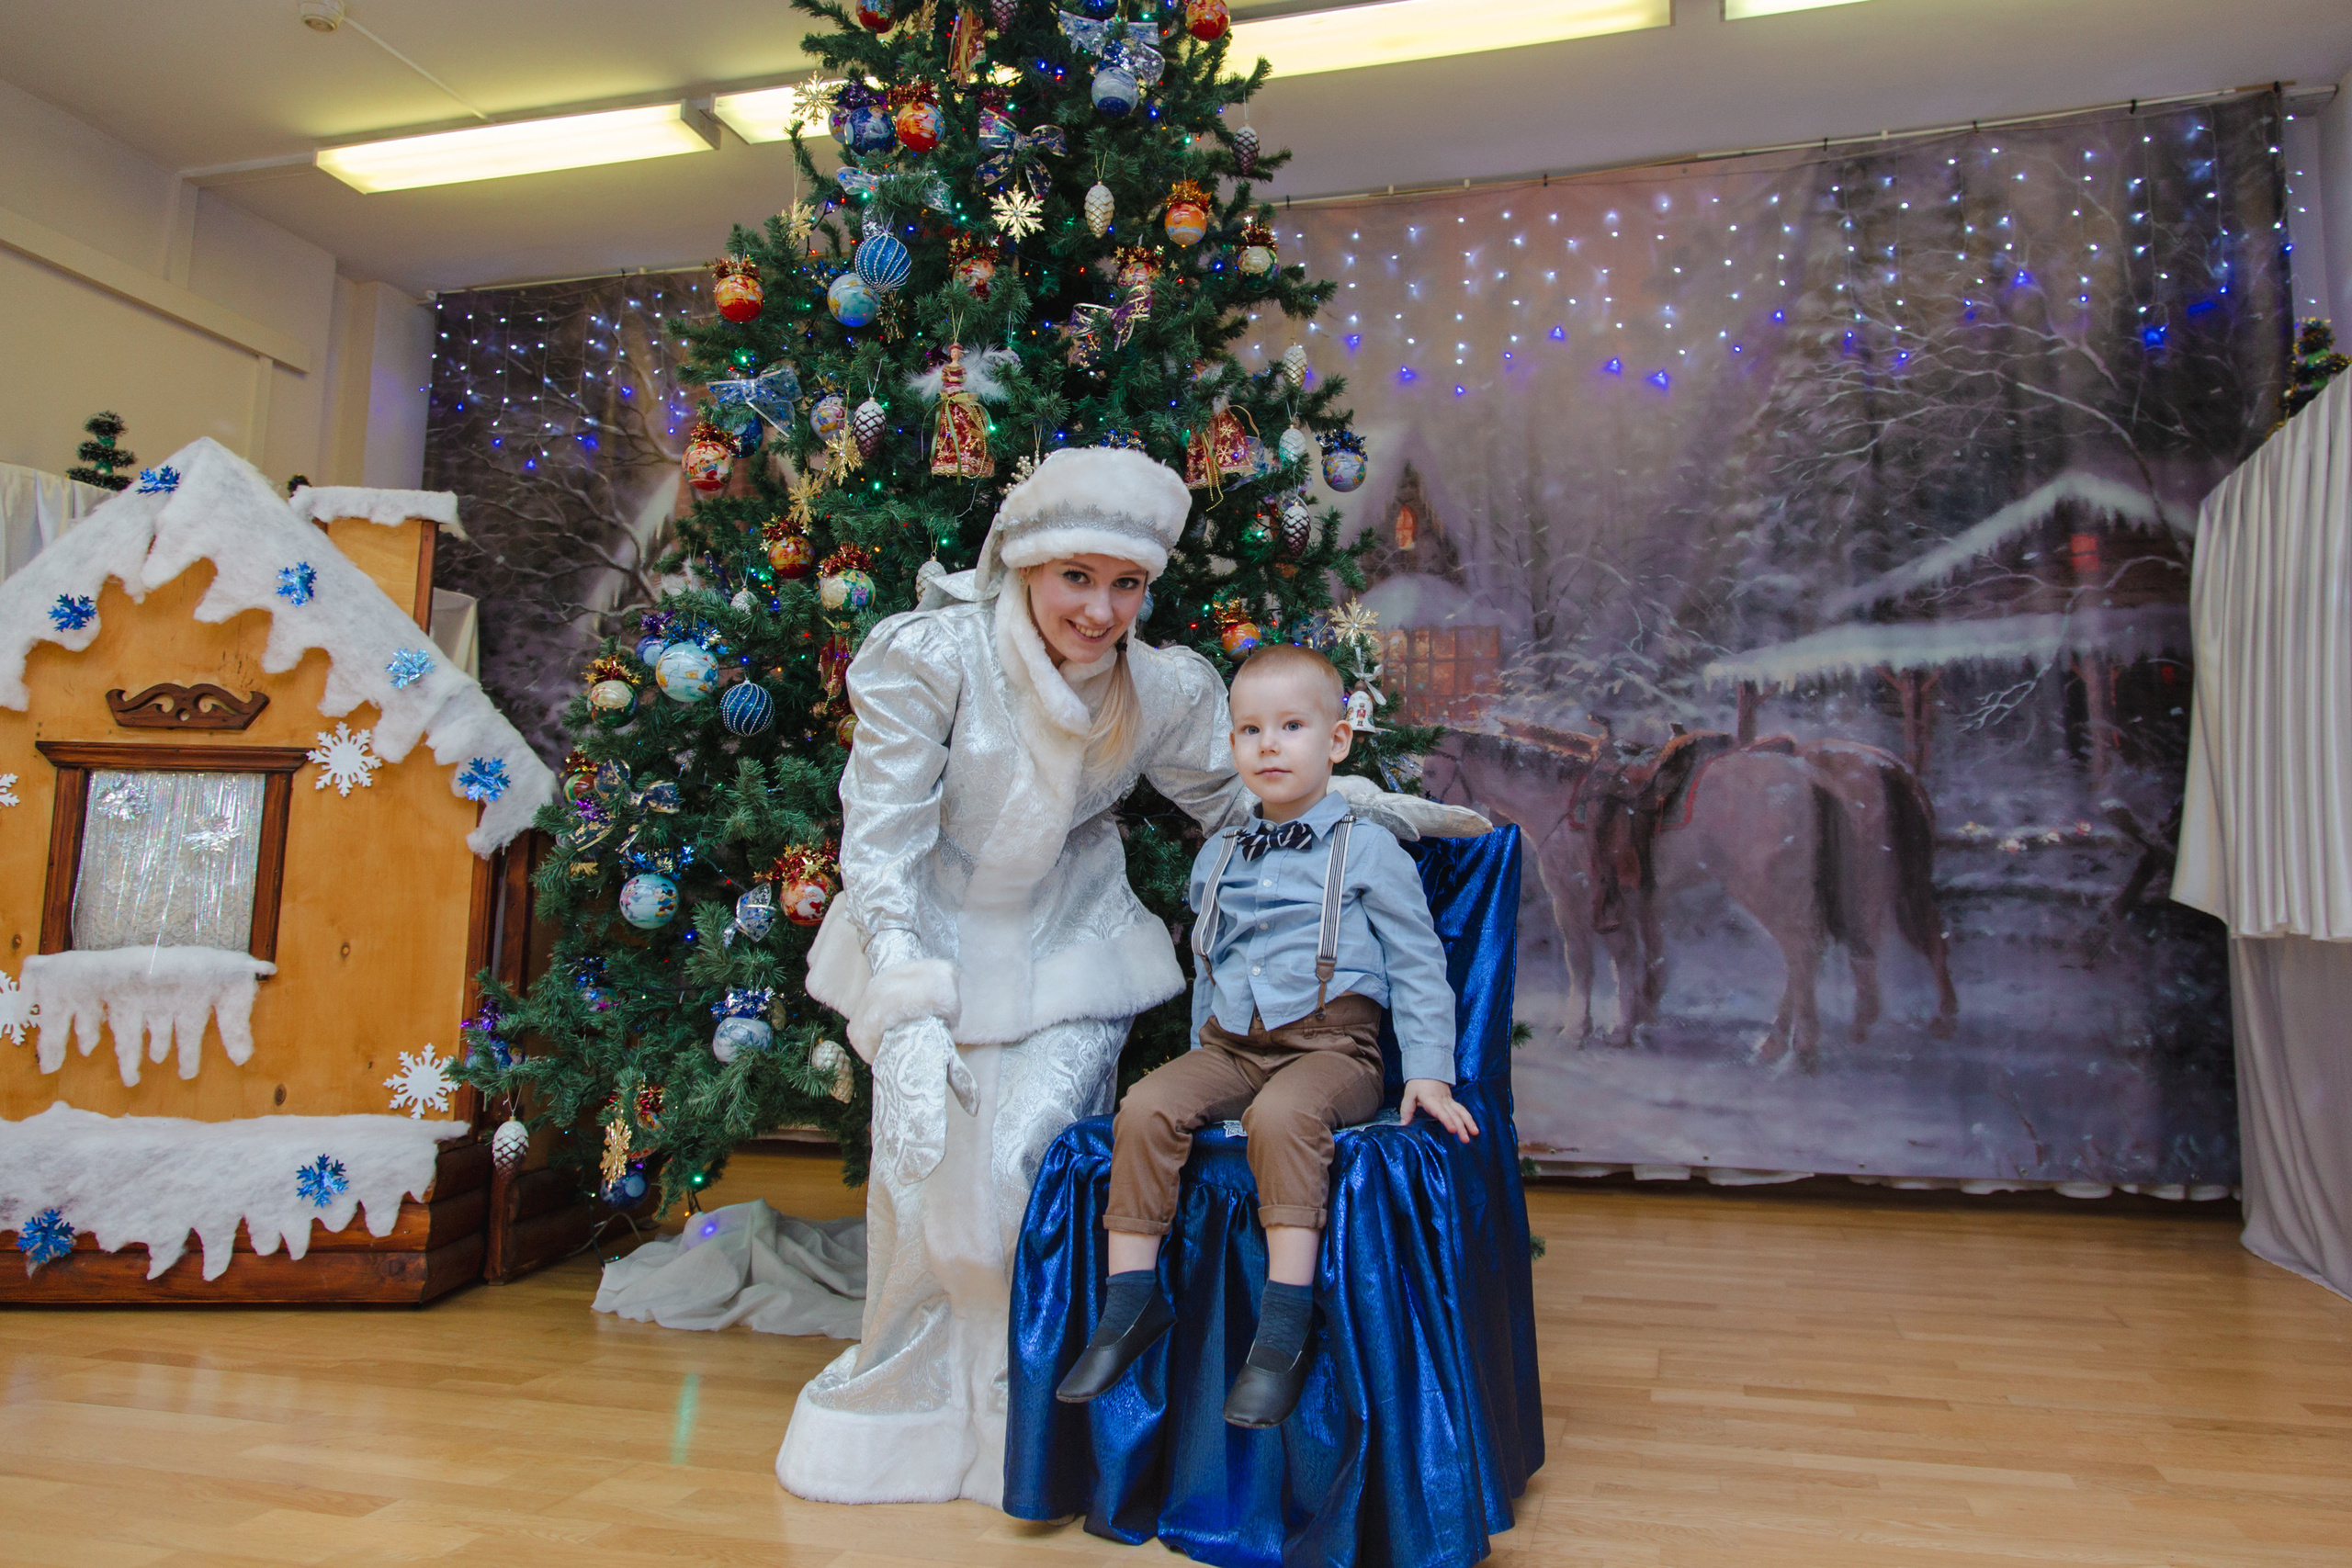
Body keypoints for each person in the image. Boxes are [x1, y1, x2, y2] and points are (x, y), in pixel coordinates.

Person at [779, 447, 1484, 1506]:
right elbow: (879, 842)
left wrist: (1370, 812)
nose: (1102, 610)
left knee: (1029, 1180)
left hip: (1071, 948)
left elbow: (1250, 802)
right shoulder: (929, 655)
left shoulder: (1161, 688)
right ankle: (913, 1408)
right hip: (925, 944)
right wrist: (907, 1001)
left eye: (1127, 585)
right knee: (924, 1203)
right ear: (1025, 564)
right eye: (1078, 577)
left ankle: (1034, 1434)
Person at [1055, 643, 1481, 1428]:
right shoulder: (1219, 855)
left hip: (1332, 1047)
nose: (1270, 745)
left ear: (1337, 740)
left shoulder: (1368, 849)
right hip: (1229, 1045)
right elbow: (1212, 965)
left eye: (1290, 726)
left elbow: (1421, 966)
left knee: (1283, 1116)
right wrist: (1197, 1061)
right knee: (1147, 1105)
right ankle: (1129, 1304)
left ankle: (1282, 1330)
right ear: (1233, 746)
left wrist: (1429, 1071)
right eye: (1250, 730)